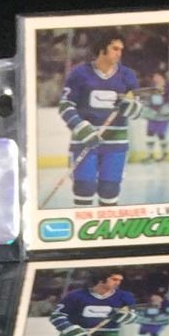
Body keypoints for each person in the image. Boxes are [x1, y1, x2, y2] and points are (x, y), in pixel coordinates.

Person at [58, 30, 141, 207]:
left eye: (121, 50)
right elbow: (65, 106)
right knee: (84, 188)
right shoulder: (80, 74)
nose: (119, 53)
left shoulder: (127, 75)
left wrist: (129, 107)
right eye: (115, 49)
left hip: (116, 144)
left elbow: (137, 110)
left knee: (109, 190)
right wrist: (80, 127)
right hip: (85, 141)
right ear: (102, 48)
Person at [50, 270, 137, 336]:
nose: (118, 283)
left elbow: (133, 317)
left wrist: (125, 317)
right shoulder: (75, 295)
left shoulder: (125, 296)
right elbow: (57, 316)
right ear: (101, 280)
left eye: (120, 280)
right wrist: (71, 329)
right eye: (114, 279)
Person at [141, 72, 169, 163]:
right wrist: (147, 108)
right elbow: (147, 99)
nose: (156, 78)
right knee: (150, 133)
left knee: (161, 134)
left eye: (158, 76)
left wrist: (165, 108)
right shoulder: (152, 87)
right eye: (155, 77)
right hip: (152, 115)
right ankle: (150, 155)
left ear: (162, 77)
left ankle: (164, 154)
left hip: (164, 115)